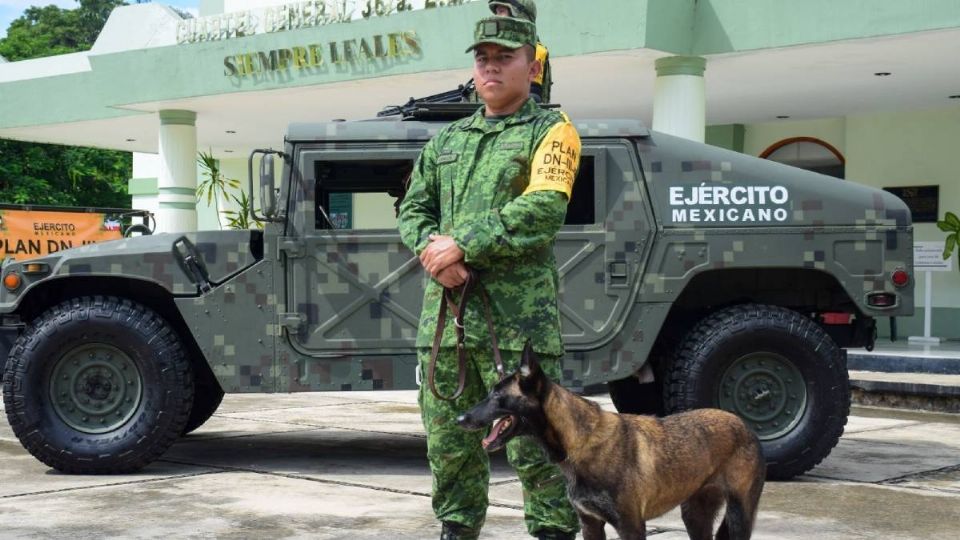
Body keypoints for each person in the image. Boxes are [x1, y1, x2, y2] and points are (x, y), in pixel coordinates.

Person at [397, 15, 581, 540]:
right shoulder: (447, 140)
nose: (491, 66)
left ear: (531, 63)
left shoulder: (552, 130)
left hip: (517, 326)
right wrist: (435, 252)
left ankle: (553, 532)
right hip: (447, 326)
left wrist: (465, 242)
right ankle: (456, 529)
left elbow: (545, 207)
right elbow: (413, 209)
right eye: (483, 58)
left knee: (537, 446)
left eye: (504, 56)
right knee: (448, 444)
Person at [488, 0, 551, 102]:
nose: (496, 17)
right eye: (496, 12)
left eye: (501, 11)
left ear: (519, 16)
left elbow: (532, 99)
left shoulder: (534, 51)